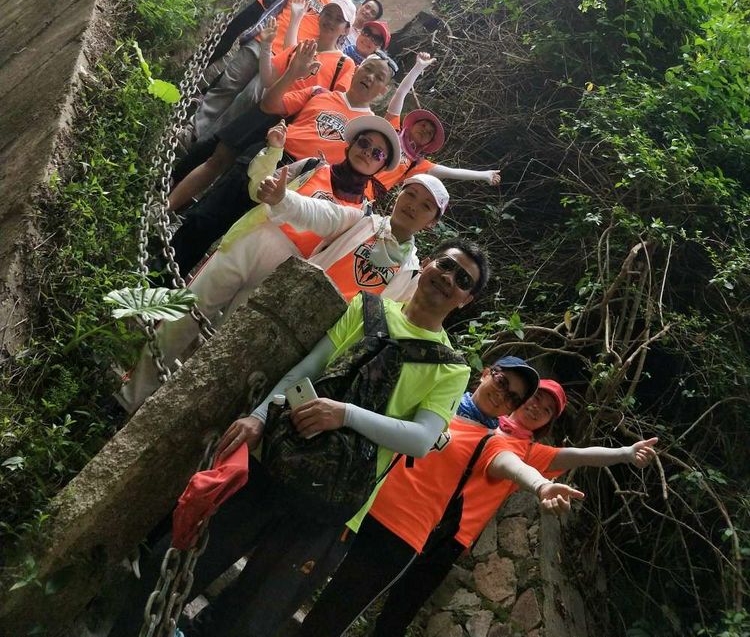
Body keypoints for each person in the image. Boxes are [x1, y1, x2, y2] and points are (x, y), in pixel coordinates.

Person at [108, 239, 486, 637]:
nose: (448, 279)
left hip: (334, 501)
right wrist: (257, 418)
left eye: (462, 281)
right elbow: (308, 369)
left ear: (465, 300)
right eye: (446, 265)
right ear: (426, 263)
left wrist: (344, 414)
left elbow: (421, 439)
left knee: (247, 619)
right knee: (179, 562)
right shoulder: (367, 308)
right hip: (279, 455)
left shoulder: (451, 368)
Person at [298, 372, 658, 637]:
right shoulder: (467, 413)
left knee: (400, 605)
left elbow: (574, 456)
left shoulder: (526, 450)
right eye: (536, 399)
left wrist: (624, 453)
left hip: (450, 533)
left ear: (548, 422)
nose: (537, 407)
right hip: (398, 508)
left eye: (547, 410)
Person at [118, 115, 401, 413]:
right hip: (247, 243)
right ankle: (130, 395)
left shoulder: (364, 217)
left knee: (221, 346)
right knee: (185, 314)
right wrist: (274, 152)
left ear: (381, 167)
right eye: (364, 143)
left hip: (282, 278)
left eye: (377, 153)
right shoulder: (311, 167)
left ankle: (162, 414)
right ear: (351, 143)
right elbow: (258, 189)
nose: (367, 153)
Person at [169, 51, 398, 276]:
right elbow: (270, 105)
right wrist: (292, 74)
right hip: (267, 159)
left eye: (379, 77)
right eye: (368, 69)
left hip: (299, 185)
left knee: (245, 245)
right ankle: (160, 273)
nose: (370, 77)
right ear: (357, 69)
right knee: (205, 218)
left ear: (383, 91)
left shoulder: (369, 131)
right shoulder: (319, 93)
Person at [169, 0, 357, 210]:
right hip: (264, 112)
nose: (330, 21)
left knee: (239, 179)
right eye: (328, 14)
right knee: (218, 158)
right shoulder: (302, 47)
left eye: (338, 19)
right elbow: (269, 79)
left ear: (346, 29)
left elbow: (333, 105)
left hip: (288, 129)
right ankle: (168, 205)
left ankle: (188, 216)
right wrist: (267, 46)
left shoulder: (344, 65)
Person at [189, 0, 356, 142]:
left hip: (284, 63)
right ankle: (193, 130)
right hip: (262, 41)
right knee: (227, 84)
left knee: (248, 100)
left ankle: (205, 143)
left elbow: (330, 48)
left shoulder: (342, 13)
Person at [254, 167, 450, 304]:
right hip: (294, 298)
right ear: (398, 195)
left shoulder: (411, 273)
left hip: (331, 341)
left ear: (432, 222)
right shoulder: (360, 221)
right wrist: (283, 199)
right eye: (411, 194)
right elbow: (320, 213)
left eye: (426, 206)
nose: (412, 206)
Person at [379, 51, 503, 189]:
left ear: (428, 143)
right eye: (424, 125)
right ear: (412, 125)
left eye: (430, 133)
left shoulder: (416, 164)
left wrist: (484, 175)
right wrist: (418, 67)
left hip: (362, 197)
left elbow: (453, 172)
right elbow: (401, 93)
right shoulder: (392, 128)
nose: (425, 131)